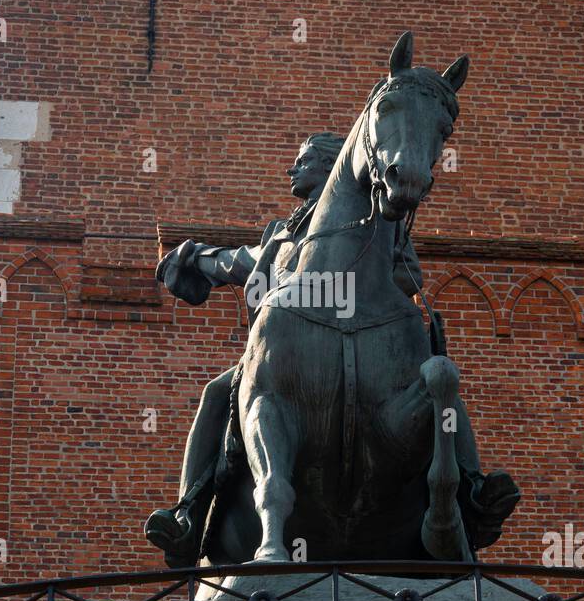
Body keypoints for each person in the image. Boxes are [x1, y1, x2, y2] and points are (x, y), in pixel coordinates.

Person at [146, 132, 514, 566]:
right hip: (293, 356)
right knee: (216, 393)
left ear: (328, 166)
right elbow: (243, 262)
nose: (292, 170)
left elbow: (407, 276)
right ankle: (187, 513)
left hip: (369, 342)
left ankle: (472, 486)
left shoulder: (382, 226)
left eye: (302, 161)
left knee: (440, 381)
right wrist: (197, 257)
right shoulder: (282, 234)